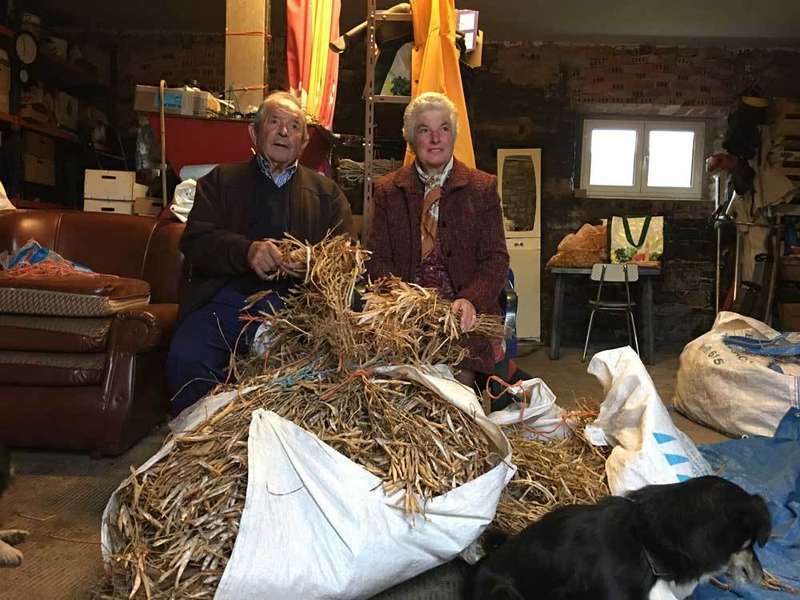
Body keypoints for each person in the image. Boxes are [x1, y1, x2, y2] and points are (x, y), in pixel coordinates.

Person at [167, 91, 352, 415]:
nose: (283, 132)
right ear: (254, 132)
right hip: (228, 299)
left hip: (297, 307)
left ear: (304, 142)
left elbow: (346, 257)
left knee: (317, 373)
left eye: (294, 126)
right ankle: (201, 442)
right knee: (188, 357)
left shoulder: (327, 195)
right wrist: (246, 251)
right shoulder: (221, 181)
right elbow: (195, 241)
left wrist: (310, 263)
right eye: (274, 122)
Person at [366, 91, 509, 387]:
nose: (435, 139)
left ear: (453, 135)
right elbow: (376, 258)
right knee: (396, 386)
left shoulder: (482, 188)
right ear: (410, 138)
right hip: (405, 316)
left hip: (463, 318)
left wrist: (471, 299)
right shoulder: (387, 191)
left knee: (456, 386)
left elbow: (496, 259)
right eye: (424, 130)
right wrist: (403, 301)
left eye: (443, 129)